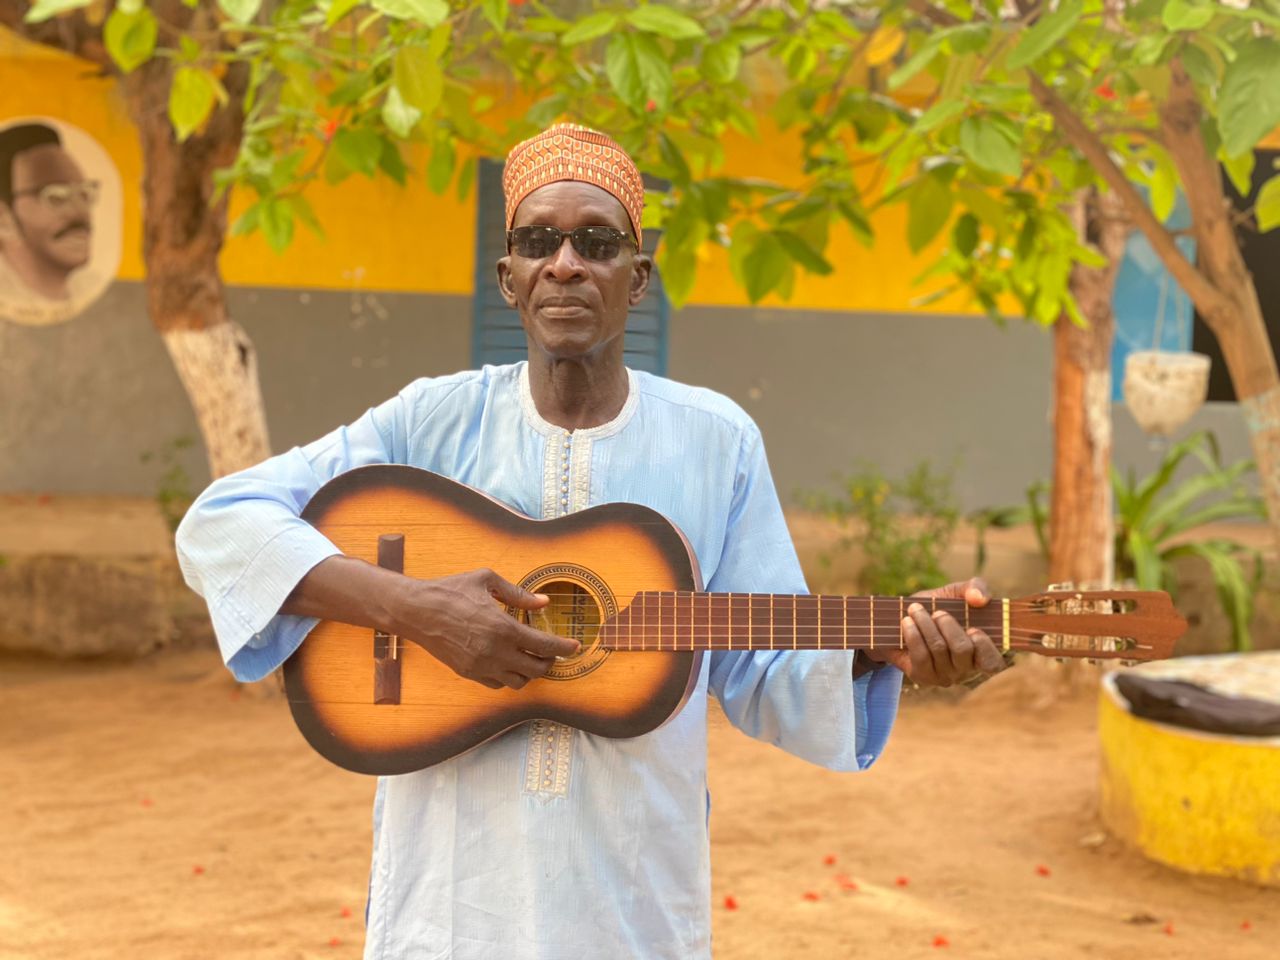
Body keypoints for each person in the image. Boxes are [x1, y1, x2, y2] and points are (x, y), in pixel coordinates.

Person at [176, 122, 1006, 959]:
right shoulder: (430, 418)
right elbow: (221, 525)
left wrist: (874, 649)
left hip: (631, 892)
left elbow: (759, 662)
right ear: (508, 278)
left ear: (637, 277)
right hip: (450, 894)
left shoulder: (716, 439)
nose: (565, 263)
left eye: (597, 243)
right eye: (538, 241)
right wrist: (417, 610)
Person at [0, 122, 102, 325]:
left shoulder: (88, 285)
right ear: (4, 218)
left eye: (84, 193)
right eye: (55, 197)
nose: (80, 212)